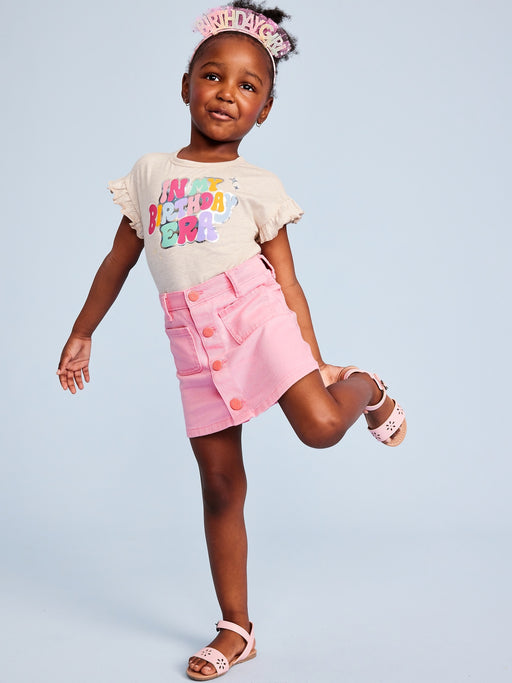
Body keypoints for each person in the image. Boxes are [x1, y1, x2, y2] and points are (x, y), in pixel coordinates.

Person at [57, 2, 406, 679]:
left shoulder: (258, 186)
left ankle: (365, 387)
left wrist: (315, 359)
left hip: (255, 316)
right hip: (191, 338)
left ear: (264, 110)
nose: (226, 93)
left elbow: (288, 282)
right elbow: (118, 260)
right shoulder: (150, 172)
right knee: (220, 484)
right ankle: (236, 628)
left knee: (320, 427)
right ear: (185, 84)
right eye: (213, 76)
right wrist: (82, 330)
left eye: (248, 86)